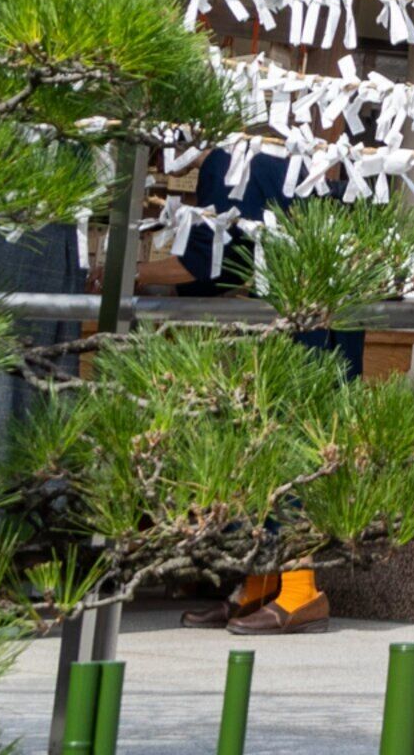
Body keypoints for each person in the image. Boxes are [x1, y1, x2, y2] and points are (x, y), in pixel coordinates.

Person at [170, 143, 360, 636]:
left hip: (280, 321)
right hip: (332, 317)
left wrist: (128, 276)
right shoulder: (302, 154)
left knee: (268, 445)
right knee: (303, 446)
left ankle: (297, 590)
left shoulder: (224, 158)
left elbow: (211, 266)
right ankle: (262, 586)